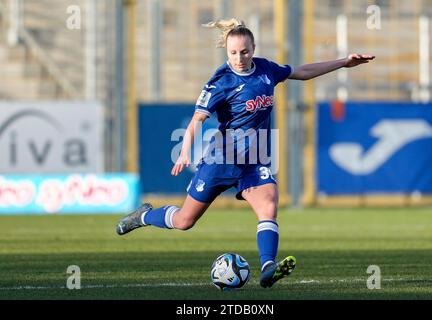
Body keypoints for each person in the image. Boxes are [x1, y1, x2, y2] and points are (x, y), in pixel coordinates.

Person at [116, 18, 375, 288]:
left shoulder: (265, 70)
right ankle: (143, 216)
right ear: (226, 52)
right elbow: (197, 120)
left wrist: (343, 62)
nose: (239, 58)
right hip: (221, 160)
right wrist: (184, 152)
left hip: (254, 159)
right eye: (233, 52)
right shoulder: (221, 82)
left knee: (268, 205)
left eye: (244, 51)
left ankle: (267, 267)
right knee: (184, 221)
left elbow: (302, 71)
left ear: (253, 49)